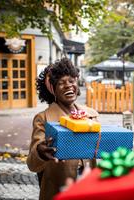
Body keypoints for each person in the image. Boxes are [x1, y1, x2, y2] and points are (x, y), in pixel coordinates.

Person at [26, 58, 99, 200]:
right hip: (59, 190)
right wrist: (40, 151)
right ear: (52, 89)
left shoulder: (92, 114)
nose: (68, 86)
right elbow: (32, 164)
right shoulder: (43, 119)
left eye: (71, 81)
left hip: (89, 186)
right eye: (61, 83)